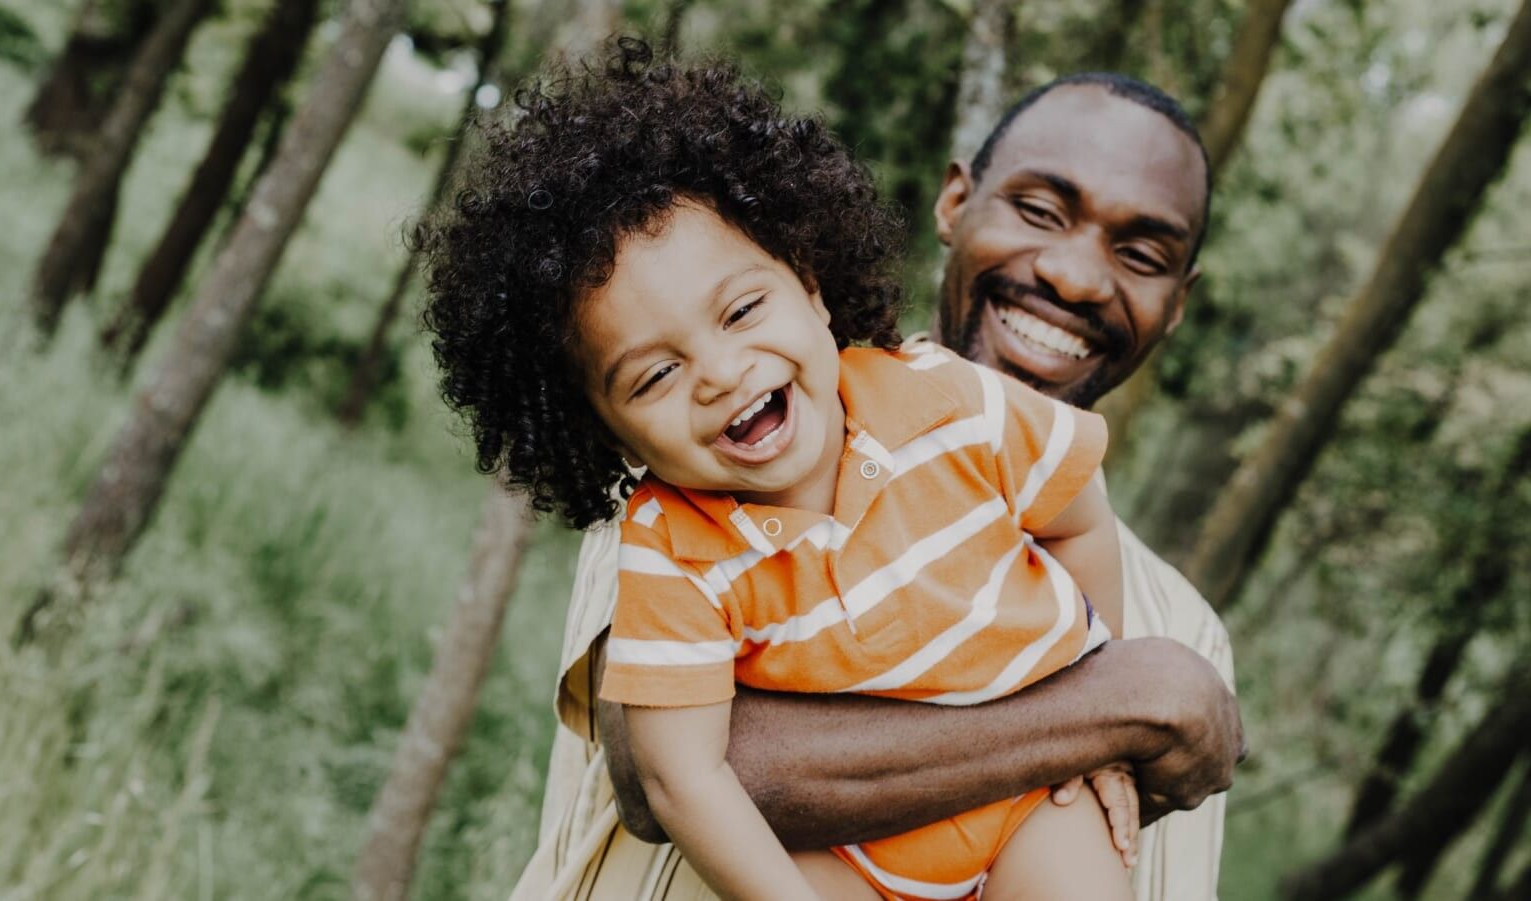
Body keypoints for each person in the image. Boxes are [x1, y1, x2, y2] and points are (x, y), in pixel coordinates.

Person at [503, 65, 1243, 901]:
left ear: (1176, 304)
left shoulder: (1189, 630)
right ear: (955, 202)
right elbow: (667, 772)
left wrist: (1116, 700)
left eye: (1141, 253)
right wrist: (1117, 702)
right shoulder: (690, 492)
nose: (1074, 277)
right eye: (1039, 210)